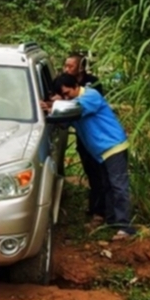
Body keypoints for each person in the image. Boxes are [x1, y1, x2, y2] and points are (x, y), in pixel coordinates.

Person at [56, 73, 136, 241]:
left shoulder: (90, 96)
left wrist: (54, 106)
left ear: (76, 86)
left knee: (118, 186)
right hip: (102, 150)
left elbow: (73, 111)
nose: (66, 97)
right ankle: (112, 219)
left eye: (67, 93)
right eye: (62, 95)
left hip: (113, 146)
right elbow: (63, 121)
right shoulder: (73, 103)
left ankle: (125, 227)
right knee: (107, 185)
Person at [53, 53, 106, 226]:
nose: (66, 69)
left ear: (81, 67)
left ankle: (100, 211)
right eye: (65, 65)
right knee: (91, 173)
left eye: (70, 66)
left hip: (96, 136)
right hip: (83, 137)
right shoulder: (62, 82)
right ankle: (94, 206)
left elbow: (78, 107)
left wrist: (62, 104)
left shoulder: (92, 84)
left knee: (100, 175)